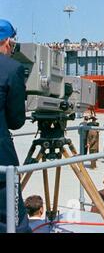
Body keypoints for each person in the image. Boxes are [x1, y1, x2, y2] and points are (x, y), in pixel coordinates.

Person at [0, 19, 30, 233]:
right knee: (11, 215)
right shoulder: (12, 68)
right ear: (8, 41)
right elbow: (16, 121)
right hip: (1, 156)